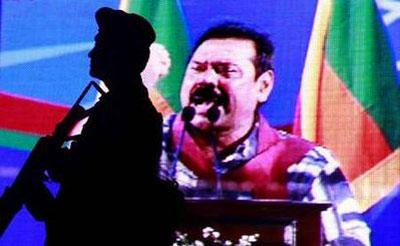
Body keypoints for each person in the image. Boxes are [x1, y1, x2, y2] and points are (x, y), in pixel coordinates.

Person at [159, 22, 371, 245]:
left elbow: (349, 240)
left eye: (227, 71)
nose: (207, 80)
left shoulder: (304, 165)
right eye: (198, 68)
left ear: (263, 86)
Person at [0, 7, 183, 245]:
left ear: (119, 54)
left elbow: (102, 188)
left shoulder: (127, 111)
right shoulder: (117, 107)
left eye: (101, 45)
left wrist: (53, 161)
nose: (92, 53)